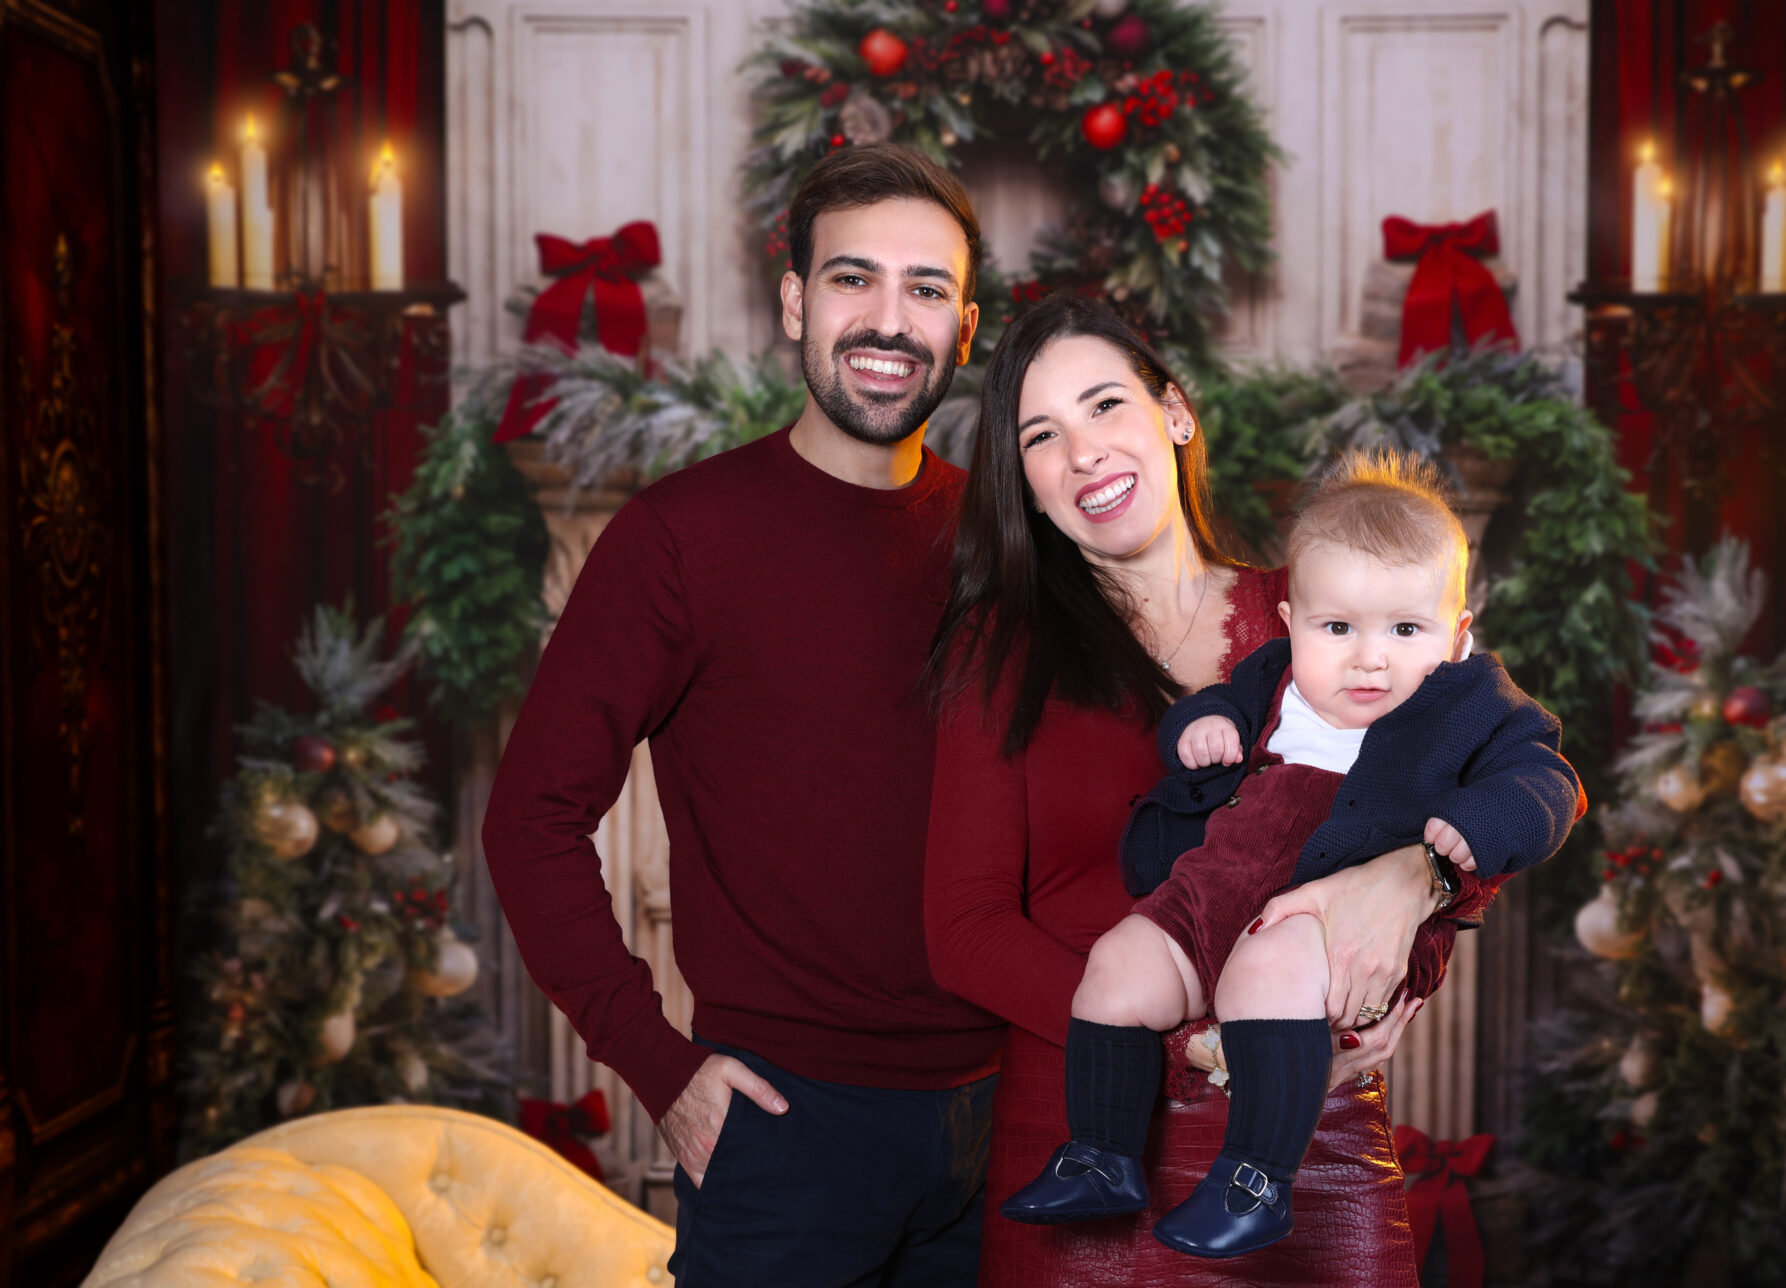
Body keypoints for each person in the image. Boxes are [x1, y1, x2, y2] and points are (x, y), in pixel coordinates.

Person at [483, 143, 1004, 1286]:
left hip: (1009, 1119)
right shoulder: (681, 538)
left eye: (926, 290)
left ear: (964, 330)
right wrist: (657, 1064)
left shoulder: (1007, 540)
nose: (888, 318)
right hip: (787, 1126)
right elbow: (529, 818)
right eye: (852, 278)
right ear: (794, 303)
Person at [922, 292, 1515, 1285]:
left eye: (1106, 405)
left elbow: (1488, 778)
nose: (1084, 452)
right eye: (1042, 435)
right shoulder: (1000, 654)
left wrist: (1420, 890)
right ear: (1024, 481)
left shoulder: (1324, 611)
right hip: (1085, 1134)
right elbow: (965, 932)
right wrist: (1193, 1040)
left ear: (1176, 413)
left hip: (1303, 1138)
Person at [1000, 450, 1583, 1258]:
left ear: (1457, 636)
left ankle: (1255, 1182)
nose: (1368, 658)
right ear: (1290, 624)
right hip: (1211, 894)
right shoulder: (1275, 677)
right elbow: (1208, 713)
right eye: (1336, 627)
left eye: (1405, 630)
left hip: (1328, 928)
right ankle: (1103, 1153)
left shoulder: (1469, 706)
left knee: (1264, 973)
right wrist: (1203, 729)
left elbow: (1550, 784)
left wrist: (1479, 826)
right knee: (1119, 963)